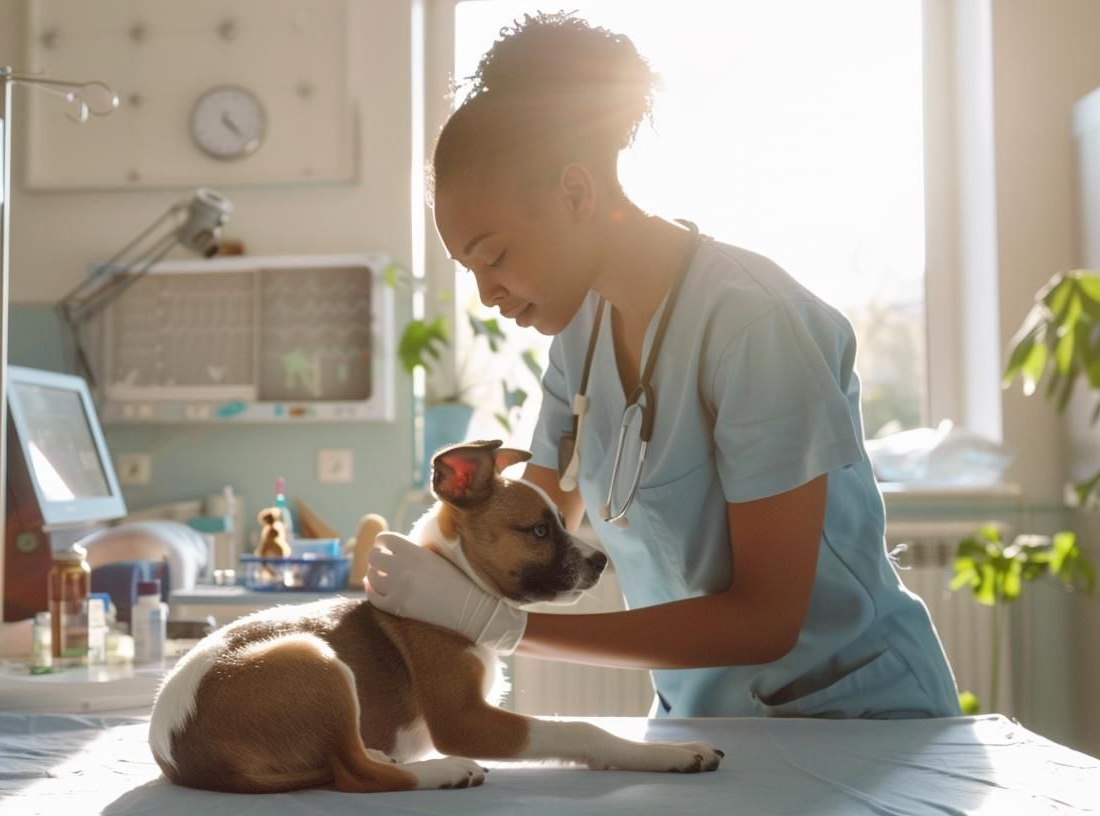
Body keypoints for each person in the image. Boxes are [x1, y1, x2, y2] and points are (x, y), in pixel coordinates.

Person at [365, 12, 960, 719]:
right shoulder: (579, 340)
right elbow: (529, 519)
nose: (487, 295)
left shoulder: (756, 328)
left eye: (494, 256)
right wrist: (424, 573)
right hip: (703, 718)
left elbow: (767, 619)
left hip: (857, 723)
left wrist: (503, 628)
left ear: (577, 193)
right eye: (469, 268)